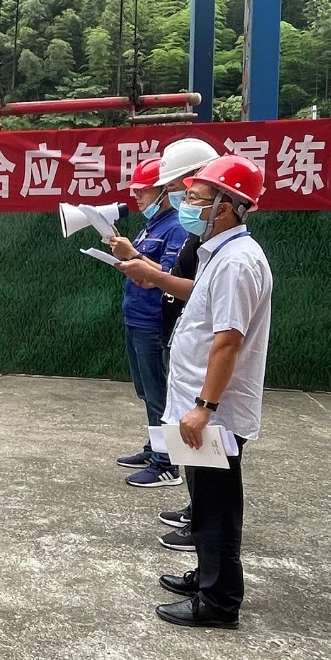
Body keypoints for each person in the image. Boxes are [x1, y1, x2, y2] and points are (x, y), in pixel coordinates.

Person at [152, 154, 272, 629]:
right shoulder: (219, 254)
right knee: (203, 500)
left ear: (224, 207)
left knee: (217, 505)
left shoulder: (237, 263)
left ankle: (219, 601)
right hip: (198, 404)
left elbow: (228, 341)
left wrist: (204, 407)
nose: (185, 204)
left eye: (195, 198)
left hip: (212, 411)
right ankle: (206, 576)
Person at [114, 137, 219, 551]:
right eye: (182, 190)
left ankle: (178, 484)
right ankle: (196, 510)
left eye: (190, 191)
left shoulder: (226, 250)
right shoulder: (199, 238)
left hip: (176, 340)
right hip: (167, 332)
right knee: (156, 398)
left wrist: (207, 403)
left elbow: (225, 332)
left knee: (186, 423)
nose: (184, 199)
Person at [105, 157, 189, 492]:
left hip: (155, 321)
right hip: (138, 317)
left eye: (143, 190)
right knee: (147, 391)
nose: (136, 196)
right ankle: (156, 448)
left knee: (158, 395)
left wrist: (133, 257)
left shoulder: (176, 226)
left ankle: (167, 464)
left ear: (165, 190)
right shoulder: (153, 225)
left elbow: (167, 276)